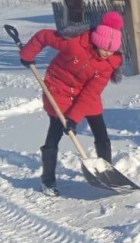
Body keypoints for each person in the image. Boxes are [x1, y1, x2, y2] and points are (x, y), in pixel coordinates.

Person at [19, 11, 125, 196]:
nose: (109, 53)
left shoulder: (108, 64)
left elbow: (91, 93)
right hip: (58, 89)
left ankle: (107, 172)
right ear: (97, 41)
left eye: (112, 50)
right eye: (106, 49)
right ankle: (48, 180)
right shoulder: (74, 44)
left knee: (100, 130)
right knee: (56, 130)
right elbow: (44, 36)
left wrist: (74, 119)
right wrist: (27, 55)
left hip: (84, 92)